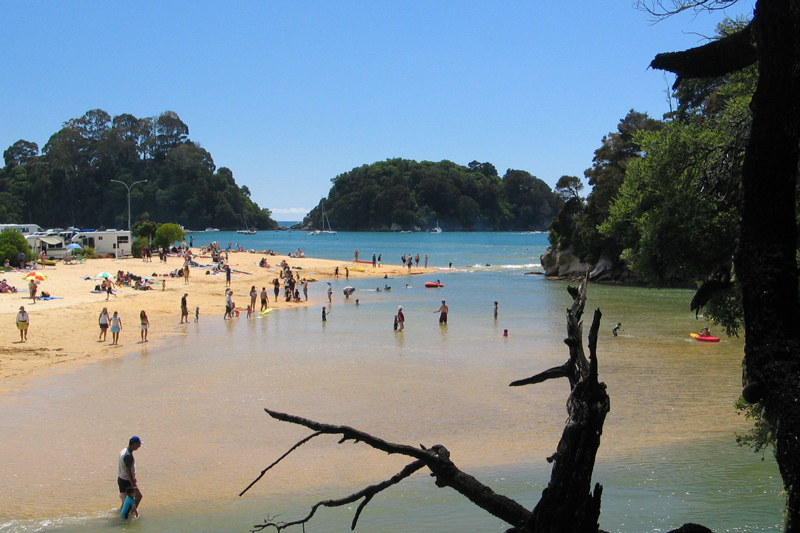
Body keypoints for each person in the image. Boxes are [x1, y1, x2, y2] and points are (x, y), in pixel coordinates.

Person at [117, 436, 143, 511]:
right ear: (134, 444)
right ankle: (130, 513)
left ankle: (122, 513)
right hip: (126, 481)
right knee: (138, 496)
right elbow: (128, 470)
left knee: (125, 500)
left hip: (121, 479)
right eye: (138, 444)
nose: (139, 446)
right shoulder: (128, 455)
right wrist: (133, 485)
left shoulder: (123, 451)